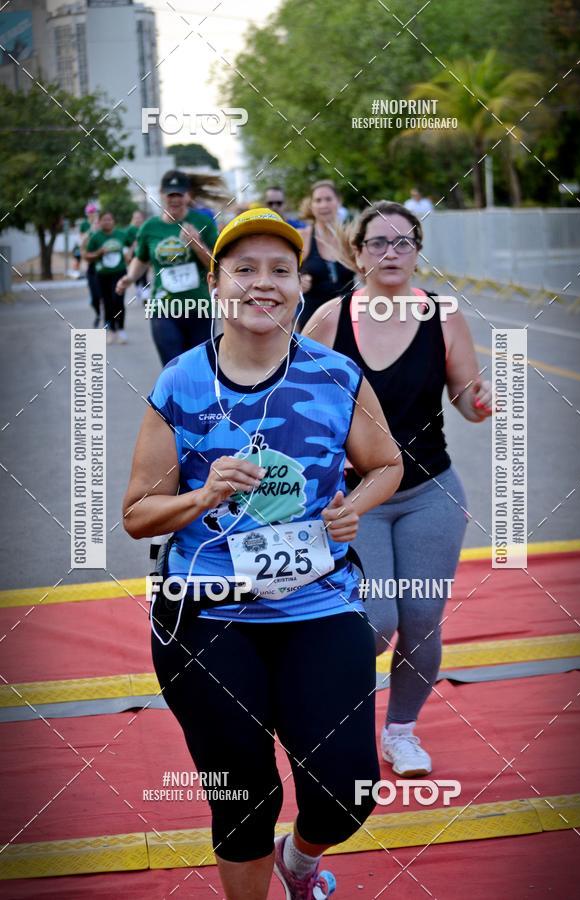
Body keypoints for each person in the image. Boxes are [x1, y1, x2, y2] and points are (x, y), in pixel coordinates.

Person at [122, 208, 403, 899]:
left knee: (347, 790)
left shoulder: (336, 376)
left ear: (300, 284)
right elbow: (136, 515)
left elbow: (387, 463)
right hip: (206, 616)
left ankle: (300, 863)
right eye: (244, 269)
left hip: (319, 605)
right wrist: (202, 495)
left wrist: (351, 508)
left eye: (279, 270)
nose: (262, 284)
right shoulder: (181, 384)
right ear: (217, 285)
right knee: (242, 798)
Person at [303, 200, 492, 777]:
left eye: (403, 243)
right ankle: (335, 715)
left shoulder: (442, 314)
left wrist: (479, 401)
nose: (391, 253)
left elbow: (464, 396)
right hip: (357, 499)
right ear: (356, 253)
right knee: (377, 619)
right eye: (378, 243)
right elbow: (294, 395)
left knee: (422, 617)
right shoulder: (330, 319)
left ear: (417, 253)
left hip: (430, 492)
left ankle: (401, 731)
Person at [116, 170, 218, 365]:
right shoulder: (149, 227)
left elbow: (218, 266)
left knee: (200, 368)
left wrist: (197, 245)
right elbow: (142, 259)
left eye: (179, 194)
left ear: (188, 195)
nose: (175, 199)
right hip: (163, 307)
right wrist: (129, 277)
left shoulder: (203, 223)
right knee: (172, 366)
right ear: (162, 195)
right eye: (170, 194)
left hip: (199, 307)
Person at [298, 180, 355, 329]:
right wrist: (298, 280)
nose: (323, 205)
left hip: (348, 319)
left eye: (328, 199)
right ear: (311, 205)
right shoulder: (302, 237)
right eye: (318, 200)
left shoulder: (350, 237)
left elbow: (367, 273)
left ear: (338, 201)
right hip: (313, 322)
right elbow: (283, 273)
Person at [85, 210, 130, 343]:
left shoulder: (121, 234)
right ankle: (111, 330)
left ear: (113, 221)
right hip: (102, 275)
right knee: (107, 302)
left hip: (119, 273)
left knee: (118, 301)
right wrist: (99, 252)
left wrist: (129, 254)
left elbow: (133, 244)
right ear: (99, 222)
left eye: (109, 219)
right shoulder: (96, 237)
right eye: (104, 220)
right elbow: (87, 256)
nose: (107, 222)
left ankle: (121, 329)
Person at [79, 202, 103, 326]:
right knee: (94, 298)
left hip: (103, 264)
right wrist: (90, 230)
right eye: (89, 212)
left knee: (104, 295)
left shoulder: (101, 223)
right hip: (90, 263)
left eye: (93, 212)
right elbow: (82, 242)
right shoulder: (84, 225)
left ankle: (108, 318)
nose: (92, 214)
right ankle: (98, 314)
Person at [124, 209, 149, 303]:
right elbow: (125, 244)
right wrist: (127, 255)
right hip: (133, 257)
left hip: (144, 256)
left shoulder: (145, 227)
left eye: (139, 217)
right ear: (133, 219)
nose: (137, 219)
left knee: (144, 276)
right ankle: (139, 290)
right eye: (135, 218)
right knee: (136, 276)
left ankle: (145, 295)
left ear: (142, 218)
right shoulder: (130, 230)